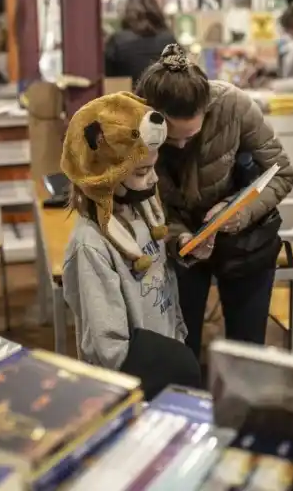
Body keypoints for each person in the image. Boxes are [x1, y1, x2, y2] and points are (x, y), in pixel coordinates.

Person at [136, 44, 293, 358]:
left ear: (207, 107)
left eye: (191, 135)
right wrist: (180, 238)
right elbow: (147, 202)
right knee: (181, 350)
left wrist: (240, 212)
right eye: (172, 138)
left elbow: (282, 174)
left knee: (246, 353)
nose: (181, 145)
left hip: (245, 244)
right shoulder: (136, 119)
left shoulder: (234, 105)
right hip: (180, 247)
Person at [60, 91, 199, 398]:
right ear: (104, 175)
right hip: (134, 384)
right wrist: (170, 365)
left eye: (153, 168)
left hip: (164, 360)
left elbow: (163, 278)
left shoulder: (144, 212)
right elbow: (108, 347)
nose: (153, 180)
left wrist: (178, 339)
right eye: (141, 172)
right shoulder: (90, 246)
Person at [105, 0, 177, 85]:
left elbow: (109, 77)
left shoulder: (117, 40)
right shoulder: (169, 40)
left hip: (128, 93)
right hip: (162, 93)